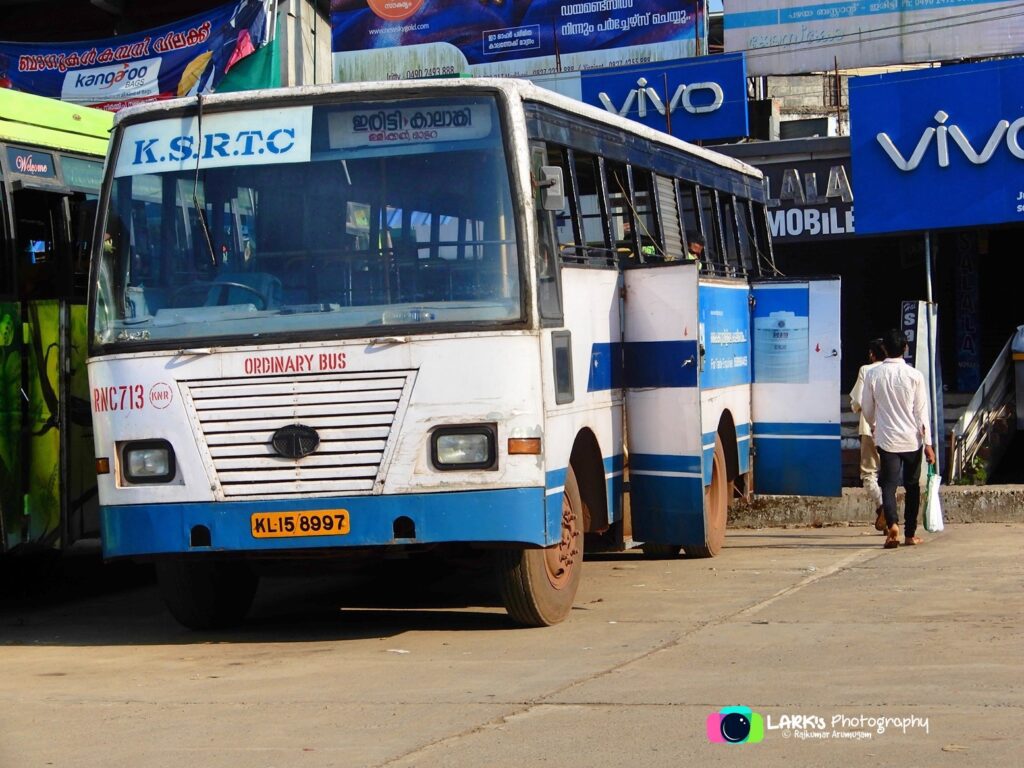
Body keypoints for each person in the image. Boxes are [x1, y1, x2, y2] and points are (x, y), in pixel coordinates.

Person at [861, 328, 936, 548]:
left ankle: (892, 524)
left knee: (888, 485)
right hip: (912, 439)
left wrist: (875, 424)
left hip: (887, 439)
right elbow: (922, 413)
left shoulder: (873, 374)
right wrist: (928, 444)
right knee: (912, 487)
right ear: (905, 348)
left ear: (884, 348)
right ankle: (910, 534)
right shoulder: (914, 376)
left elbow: (867, 408)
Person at [849, 338, 887, 532]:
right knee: (890, 473)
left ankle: (882, 507)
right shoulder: (900, 370)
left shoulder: (867, 370)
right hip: (892, 429)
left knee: (869, 473)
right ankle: (889, 512)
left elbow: (856, 402)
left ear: (872, 354)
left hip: (869, 427)